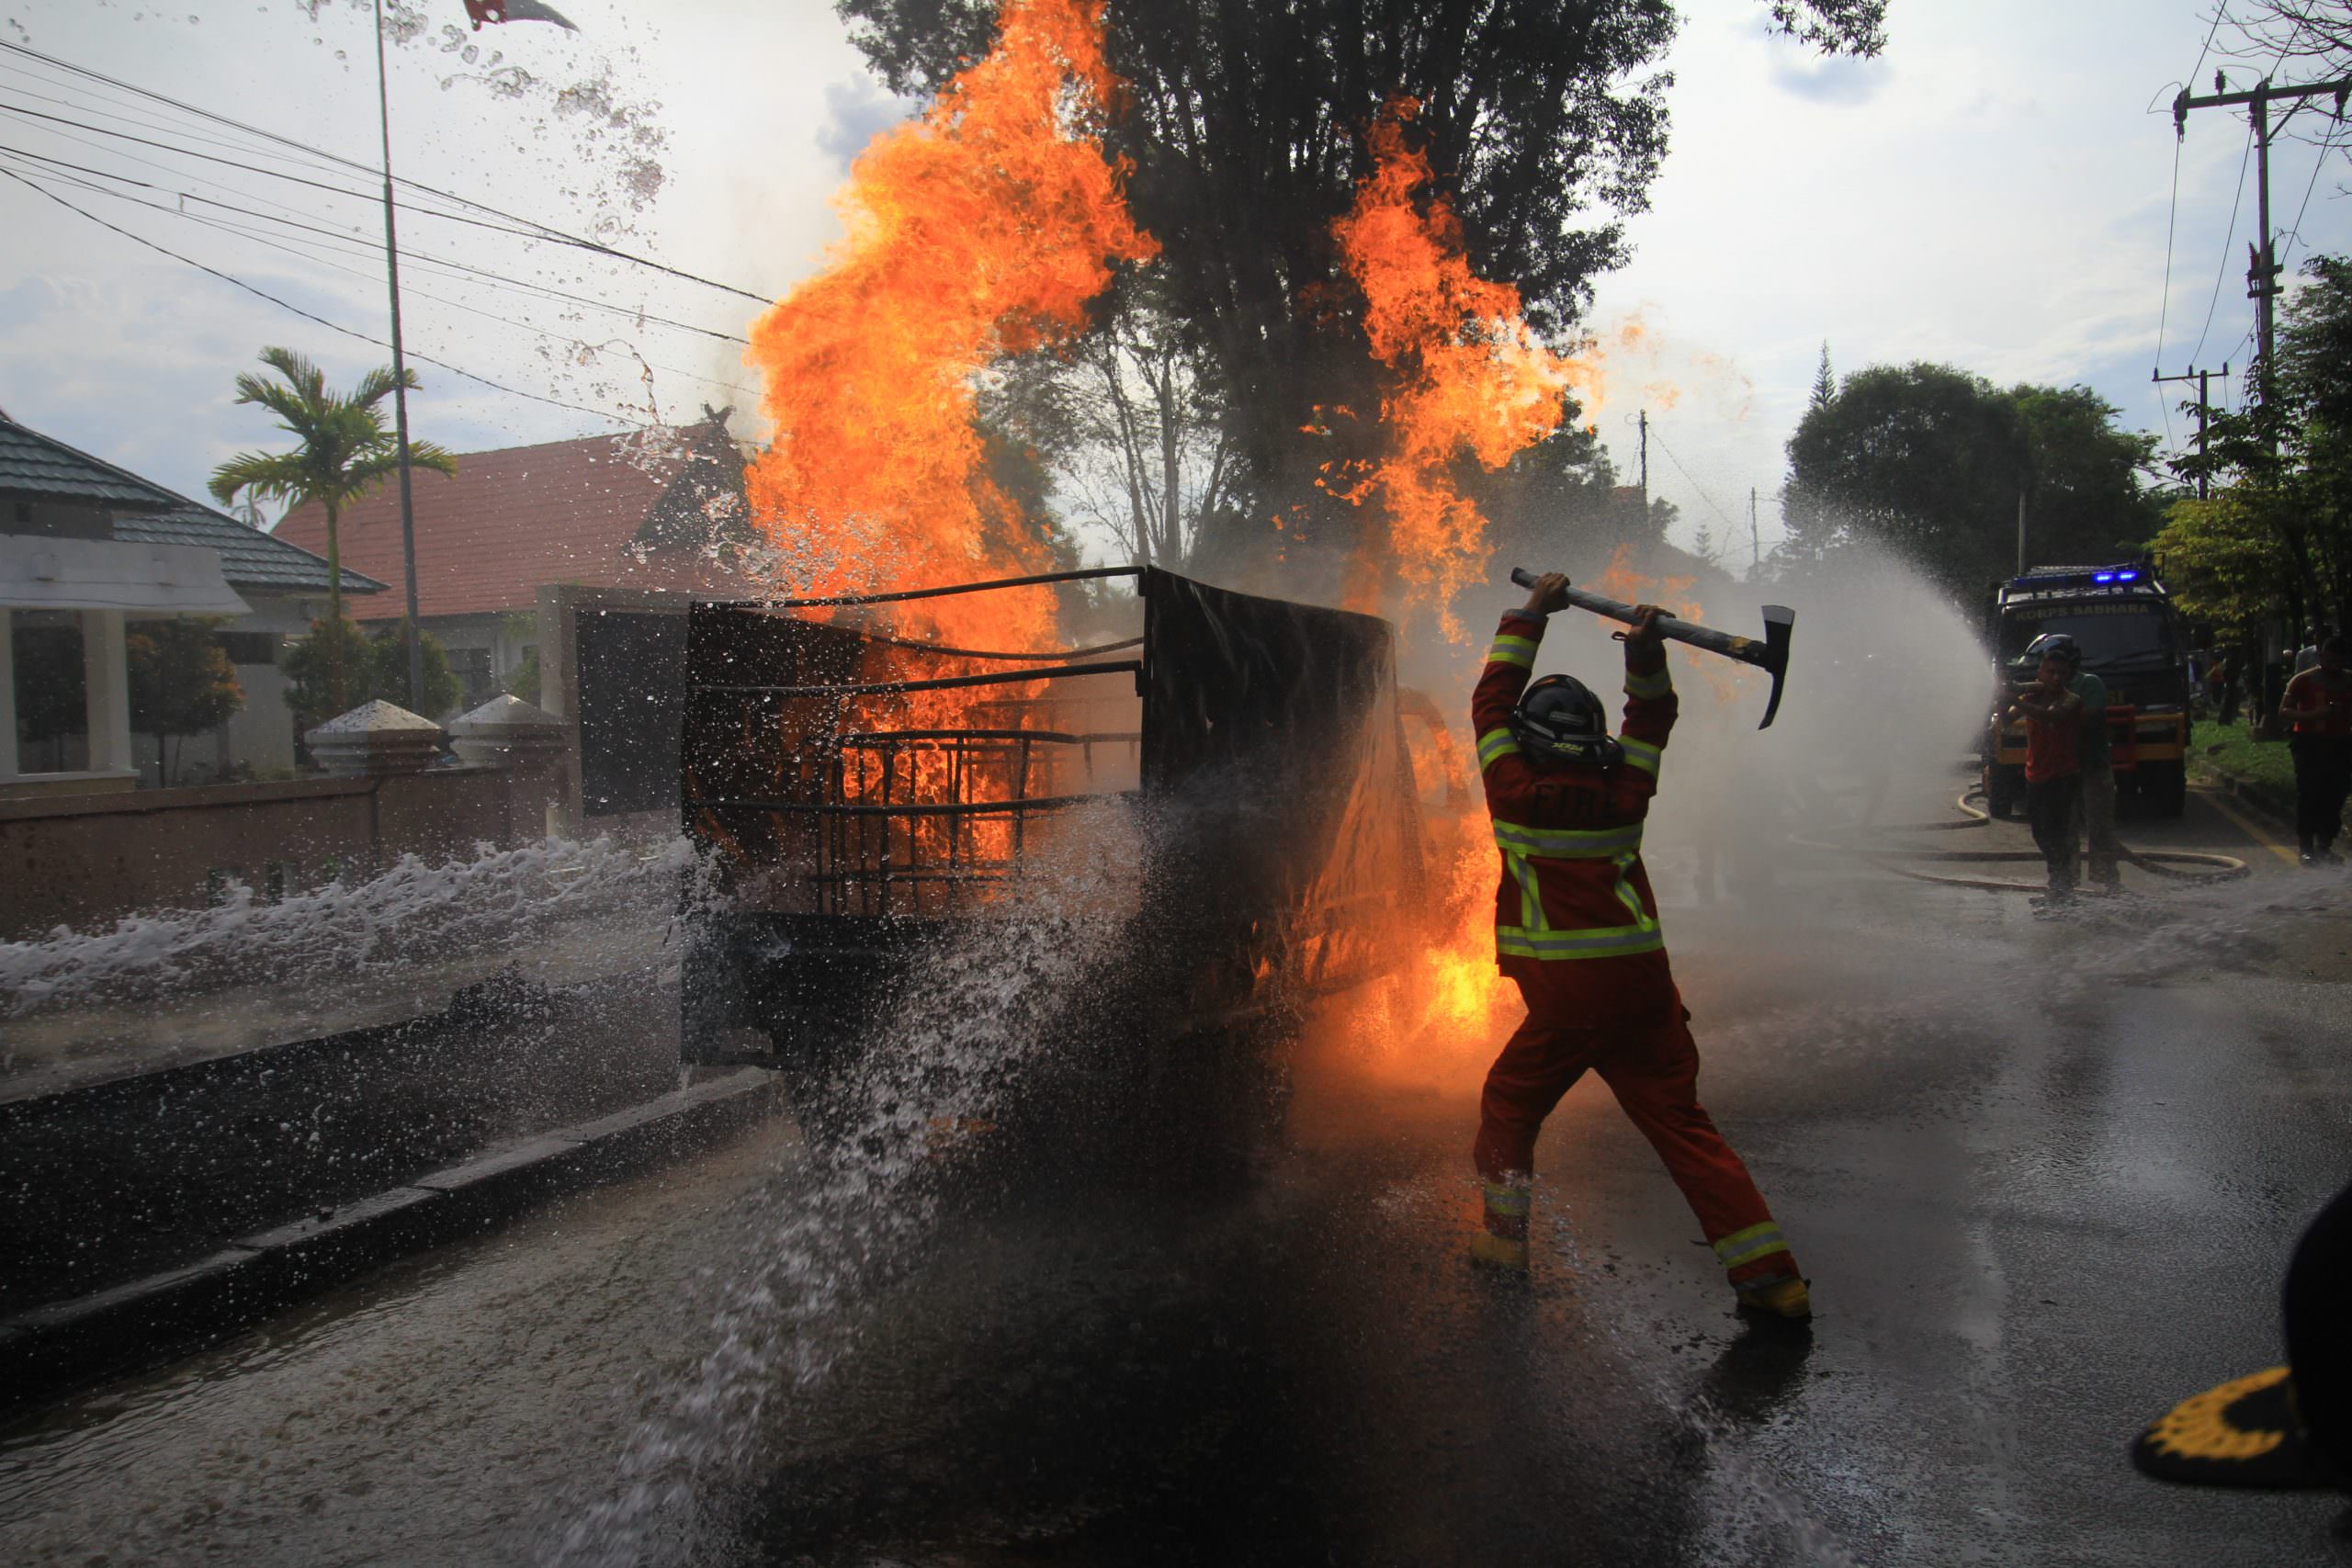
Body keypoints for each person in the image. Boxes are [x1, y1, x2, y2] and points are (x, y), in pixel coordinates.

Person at [1466, 571, 1808, 1321]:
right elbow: (1652, 716)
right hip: (1646, 997)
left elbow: (1489, 701)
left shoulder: (1514, 790)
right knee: (1684, 1128)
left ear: (1529, 739)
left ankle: (1501, 1246)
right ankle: (1773, 1280)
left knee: (1509, 1104)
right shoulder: (1628, 784)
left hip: (1567, 1004)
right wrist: (1646, 653)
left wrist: (1532, 614)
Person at [2007, 634, 2086, 903]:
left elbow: (2051, 716)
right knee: (2039, 832)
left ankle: (2061, 887)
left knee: (2055, 830)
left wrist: (2017, 700)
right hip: (2036, 775)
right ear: (2040, 672)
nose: (2055, 678)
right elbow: (2006, 720)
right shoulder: (2033, 696)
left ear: (2068, 676)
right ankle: (2059, 883)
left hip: (2063, 777)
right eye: (2050, 672)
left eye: (2061, 673)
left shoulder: (2071, 700)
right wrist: (2002, 695)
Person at [2280, 635, 2352, 866]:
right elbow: (2284, 712)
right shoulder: (2302, 681)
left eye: (2338, 660)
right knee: (2310, 794)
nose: (2334, 665)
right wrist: (2313, 716)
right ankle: (2306, 847)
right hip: (2309, 743)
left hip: (2340, 744)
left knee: (2335, 795)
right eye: (2330, 659)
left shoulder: (2348, 682)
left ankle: (2325, 845)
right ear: (2321, 657)